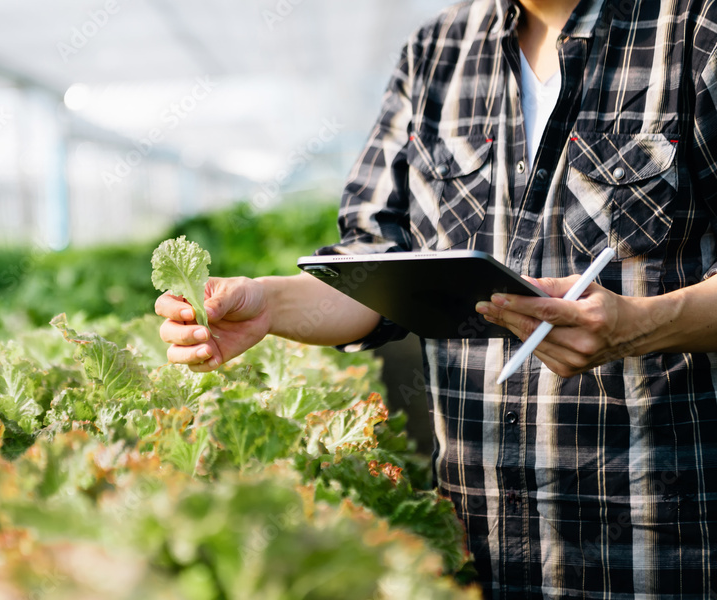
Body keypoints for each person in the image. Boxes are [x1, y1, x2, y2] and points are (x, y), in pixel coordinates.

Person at [156, 0, 717, 597]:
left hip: (655, 549)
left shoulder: (692, 29)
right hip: (477, 547)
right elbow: (376, 268)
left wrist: (645, 324)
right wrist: (268, 305)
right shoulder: (435, 53)